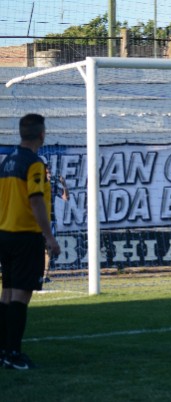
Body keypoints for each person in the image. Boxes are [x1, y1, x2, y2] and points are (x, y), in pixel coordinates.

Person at [0, 114, 60, 370]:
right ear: (42, 135)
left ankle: (3, 350)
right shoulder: (34, 164)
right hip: (25, 235)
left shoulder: (7, 161)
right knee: (21, 296)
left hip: (5, 233)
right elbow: (35, 200)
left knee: (7, 294)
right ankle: (13, 353)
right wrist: (49, 236)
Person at [42, 156, 69, 284]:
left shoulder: (52, 186)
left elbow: (65, 197)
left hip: (51, 221)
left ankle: (44, 275)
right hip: (38, 221)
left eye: (50, 172)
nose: (49, 174)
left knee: (48, 249)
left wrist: (64, 184)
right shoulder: (37, 186)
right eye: (47, 172)